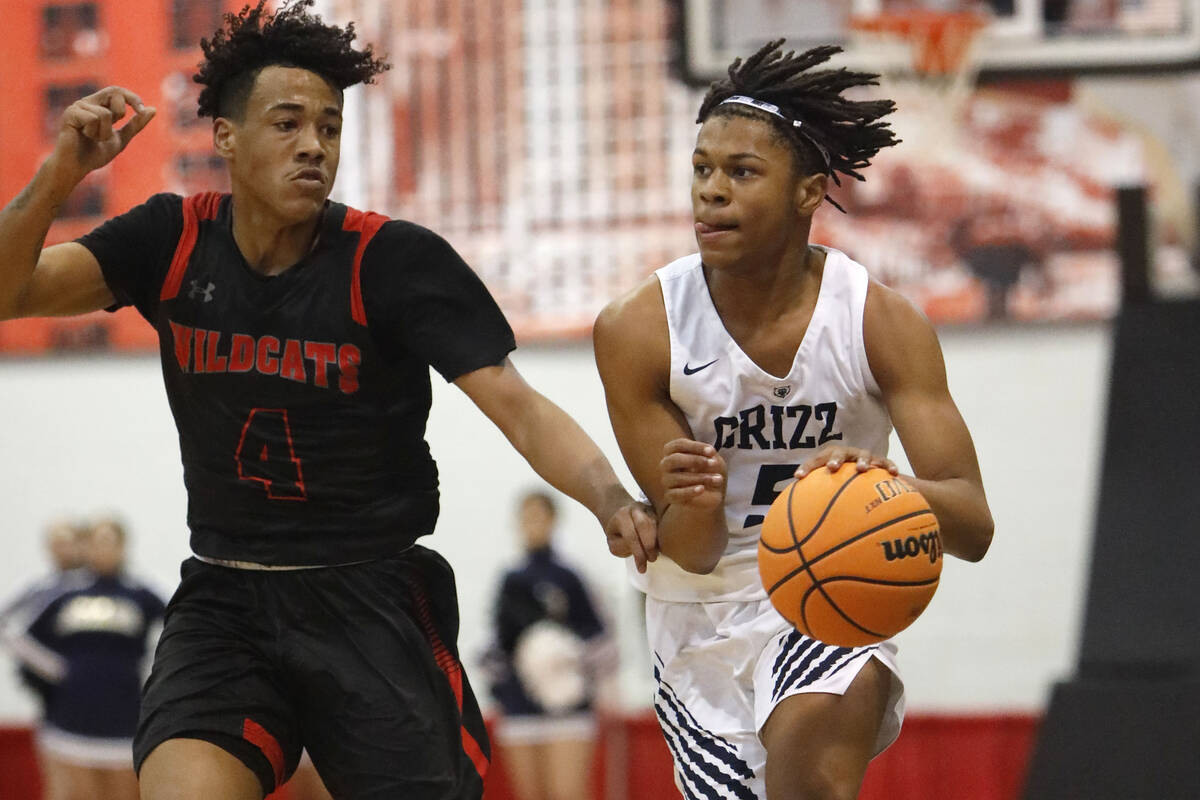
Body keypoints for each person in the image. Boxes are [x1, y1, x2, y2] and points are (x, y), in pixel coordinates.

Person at [0, 2, 654, 798]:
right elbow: (10, 292)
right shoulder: (170, 240)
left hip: (371, 600)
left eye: (330, 126)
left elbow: (517, 406)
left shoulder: (393, 262)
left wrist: (610, 497)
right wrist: (61, 172)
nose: (314, 144)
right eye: (287, 123)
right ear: (227, 138)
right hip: (229, 597)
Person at [593, 41, 994, 799]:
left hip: (834, 599)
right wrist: (696, 501)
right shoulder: (639, 329)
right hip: (700, 616)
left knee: (810, 784)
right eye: (702, 169)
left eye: (742, 172)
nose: (710, 193)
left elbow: (973, 525)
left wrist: (890, 488)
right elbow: (693, 550)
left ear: (810, 191)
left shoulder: (878, 321)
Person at [8, 517, 165, 800]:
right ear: (87, 547)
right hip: (68, 724)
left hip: (125, 723)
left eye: (109, 541)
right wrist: (61, 672)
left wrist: (152, 675)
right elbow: (16, 633)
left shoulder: (141, 595)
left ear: (123, 546)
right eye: (95, 542)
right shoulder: (63, 593)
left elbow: (178, 629)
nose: (102, 549)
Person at [484, 489, 614, 800]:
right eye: (526, 517)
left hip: (567, 709)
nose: (532, 524)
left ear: (554, 521)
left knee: (568, 793)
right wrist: (507, 684)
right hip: (520, 708)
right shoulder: (509, 581)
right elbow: (494, 647)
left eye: (539, 516)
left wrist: (567, 660)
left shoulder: (570, 578)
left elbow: (601, 641)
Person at [0, 518, 93, 800]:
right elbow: (7, 625)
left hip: (105, 693)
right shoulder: (39, 588)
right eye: (55, 543)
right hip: (57, 696)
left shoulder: (98, 586)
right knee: (60, 768)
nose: (62, 550)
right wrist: (52, 667)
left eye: (68, 542)